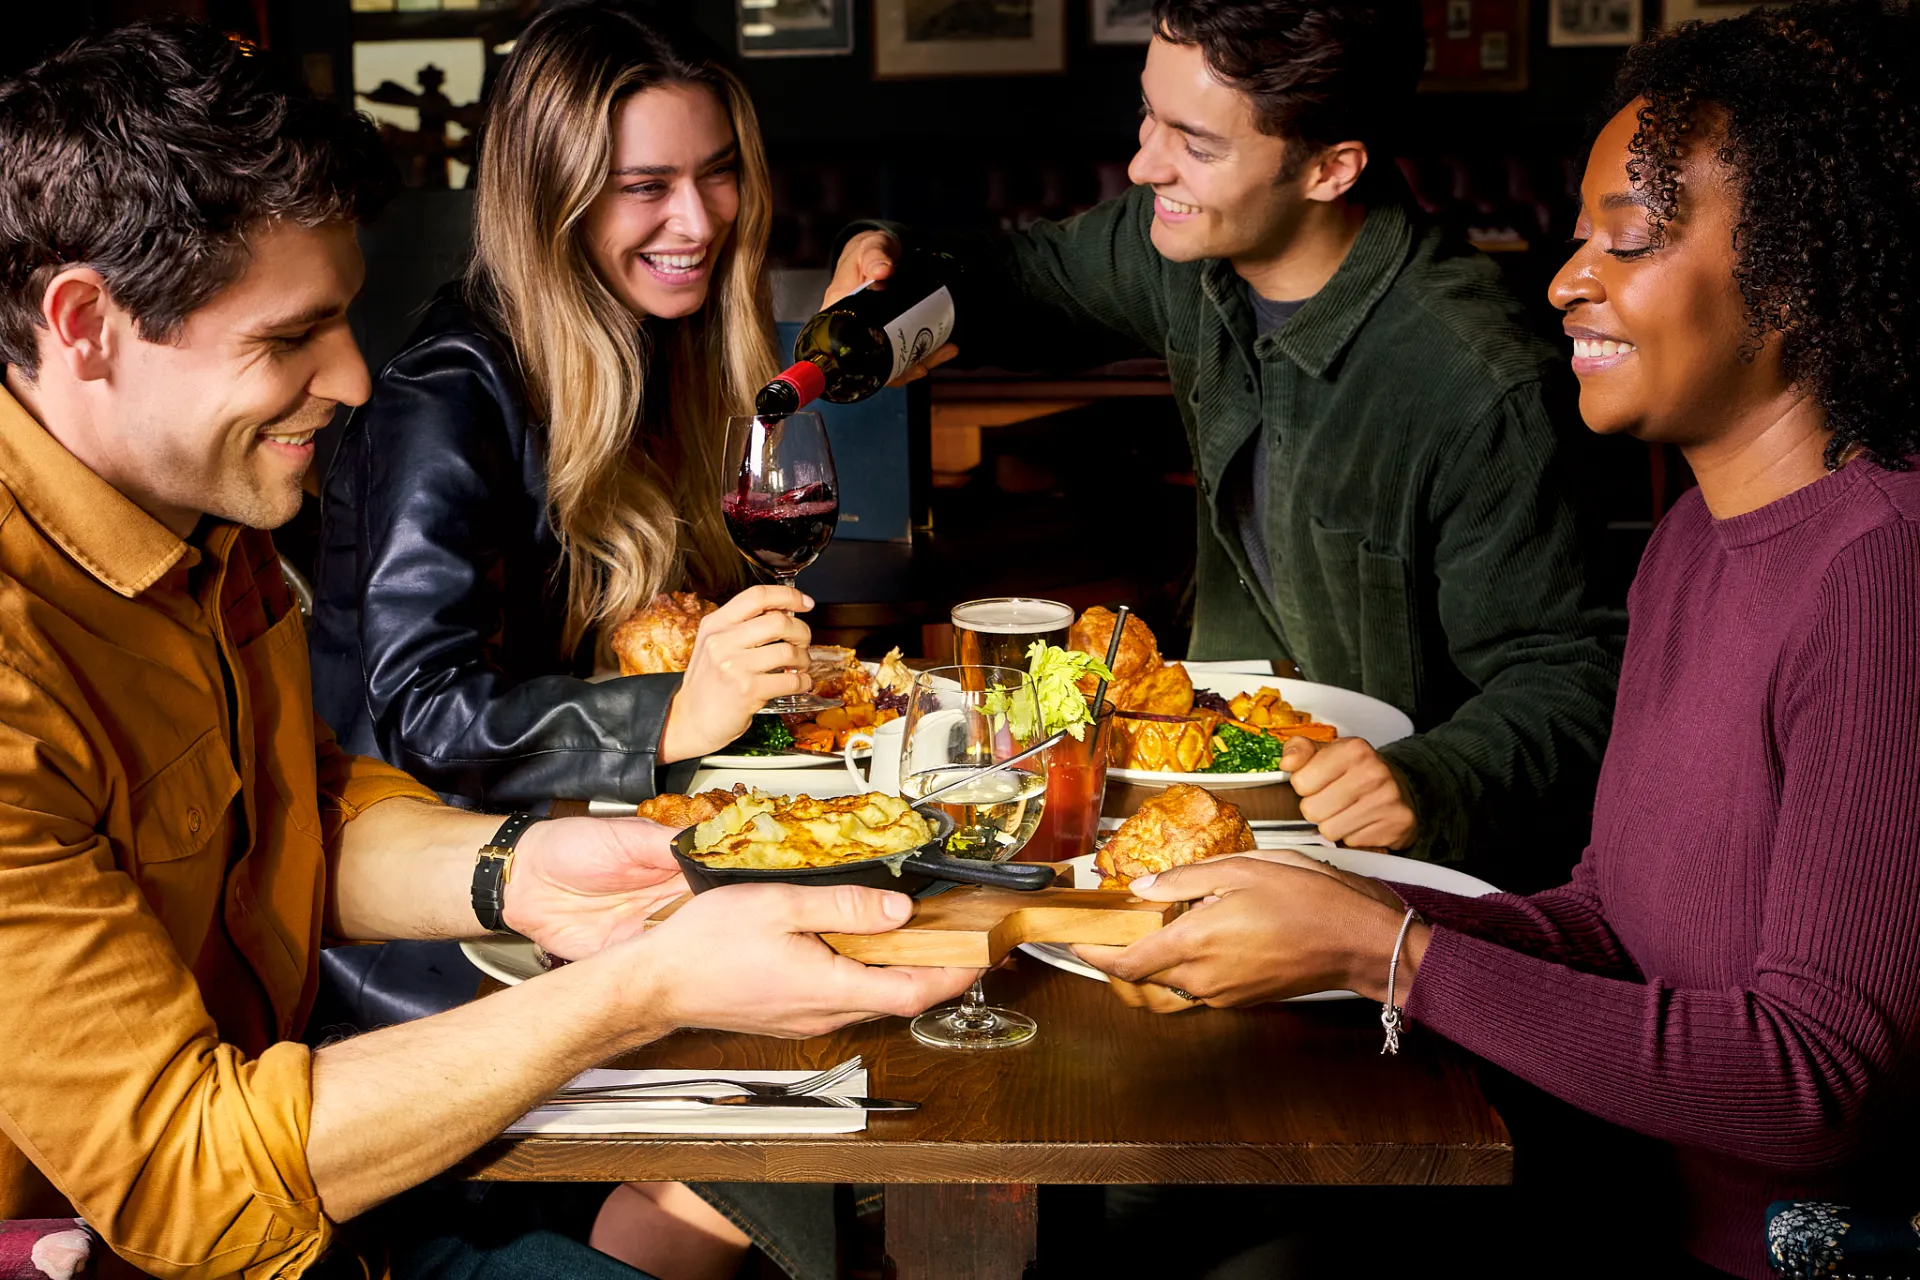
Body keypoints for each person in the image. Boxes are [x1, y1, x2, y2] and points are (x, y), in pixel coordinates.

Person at [0, 21, 975, 1280]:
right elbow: (193, 1183)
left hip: (331, 1177)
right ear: (86, 322)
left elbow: (288, 805)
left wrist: (517, 867)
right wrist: (642, 988)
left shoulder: (196, 526)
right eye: (290, 338)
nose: (353, 378)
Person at [1081, 3, 1920, 1276]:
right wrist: (1339, 905)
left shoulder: (1881, 570)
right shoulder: (1694, 537)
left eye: (1627, 240)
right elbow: (1609, 924)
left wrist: (1389, 952)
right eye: (1583, 235)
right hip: (1591, 1172)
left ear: (1797, 273)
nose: (1569, 277)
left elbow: (1814, 1083)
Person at [826, 0, 1623, 882]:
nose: (1143, 162)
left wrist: (1432, 780)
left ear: (1331, 168)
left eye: (1196, 145)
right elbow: (1019, 281)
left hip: (1407, 872)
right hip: (1207, 812)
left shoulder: (1480, 380)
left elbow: (1570, 677)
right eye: (1148, 115)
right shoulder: (1185, 241)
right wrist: (888, 265)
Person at [309, 0, 802, 811]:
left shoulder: (661, 341)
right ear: (552, 199)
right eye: (646, 185)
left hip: (602, 830)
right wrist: (673, 715)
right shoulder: (447, 388)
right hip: (446, 897)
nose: (701, 218)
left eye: (719, 171)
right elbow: (425, 716)